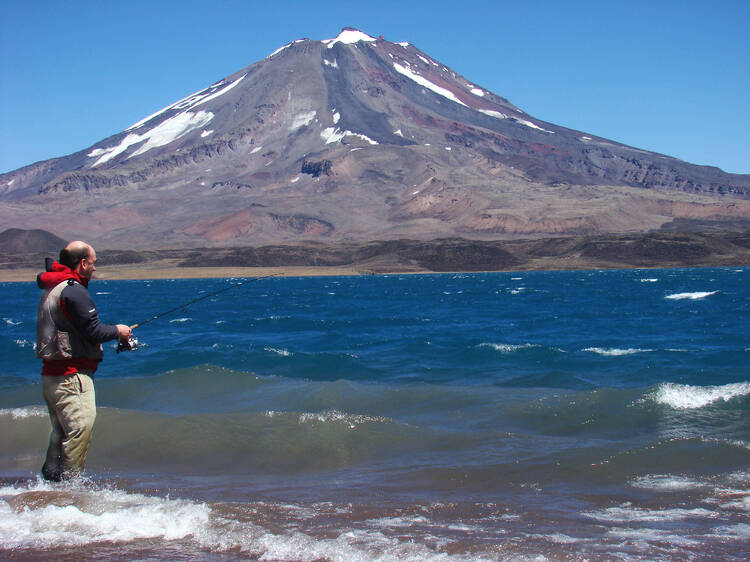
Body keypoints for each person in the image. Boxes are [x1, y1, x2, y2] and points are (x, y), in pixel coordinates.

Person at [36, 240, 131, 481]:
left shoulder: (53, 288)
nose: (94, 268)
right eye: (92, 263)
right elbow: (94, 331)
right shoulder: (74, 290)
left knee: (61, 433)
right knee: (80, 430)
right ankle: (70, 486)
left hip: (51, 376)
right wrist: (119, 330)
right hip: (71, 377)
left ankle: (49, 484)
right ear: (82, 264)